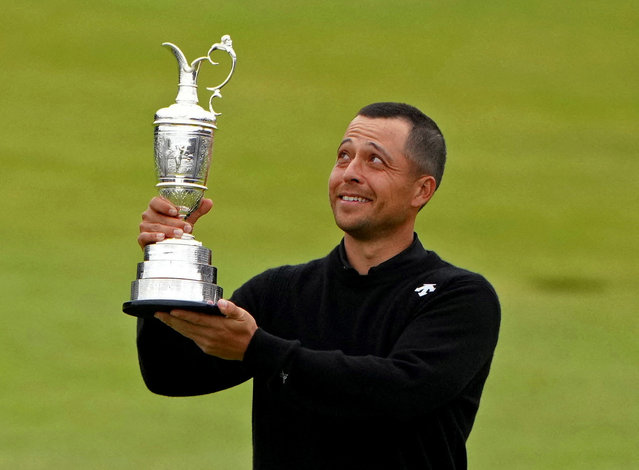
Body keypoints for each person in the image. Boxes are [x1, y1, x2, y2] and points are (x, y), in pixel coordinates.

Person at [136, 102, 500, 470]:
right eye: (344, 156)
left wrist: (258, 349)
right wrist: (164, 262)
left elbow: (401, 392)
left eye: (375, 161)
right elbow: (170, 373)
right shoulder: (281, 291)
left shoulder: (460, 298)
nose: (350, 173)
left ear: (421, 190)